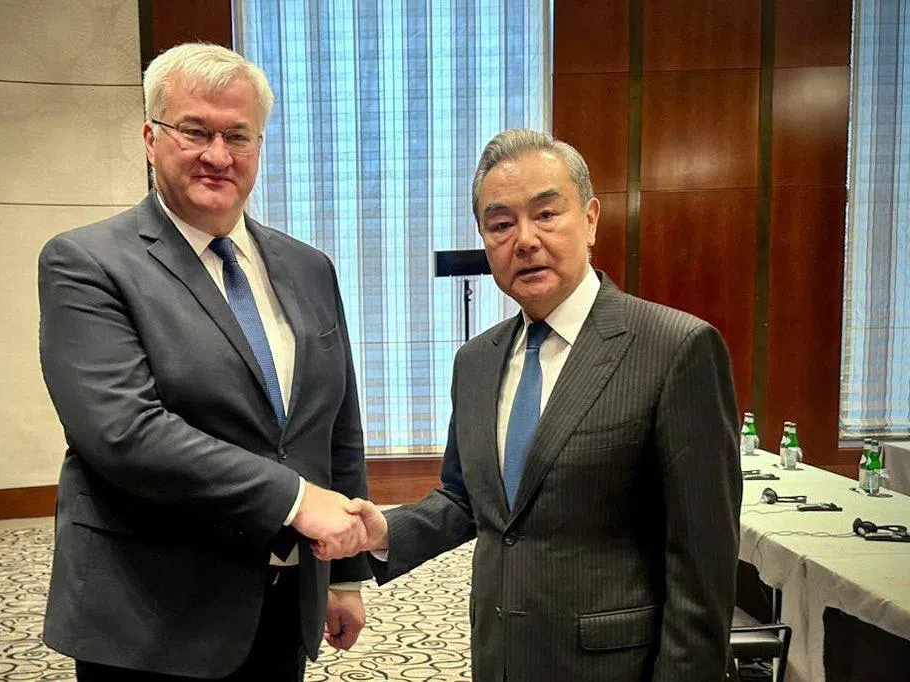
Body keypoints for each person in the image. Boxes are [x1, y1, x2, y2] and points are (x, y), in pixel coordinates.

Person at [330, 129, 742, 681]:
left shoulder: (675, 349)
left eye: (547, 214)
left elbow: (702, 570)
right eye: (501, 224)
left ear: (591, 218)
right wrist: (385, 529)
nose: (524, 239)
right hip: (500, 656)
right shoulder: (475, 361)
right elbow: (468, 499)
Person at [39, 43, 369, 681]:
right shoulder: (86, 264)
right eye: (194, 131)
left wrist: (345, 572)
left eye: (238, 136)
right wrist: (296, 501)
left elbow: (336, 424)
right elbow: (123, 433)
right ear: (149, 137)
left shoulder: (309, 267)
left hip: (279, 604)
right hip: (151, 617)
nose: (218, 155)